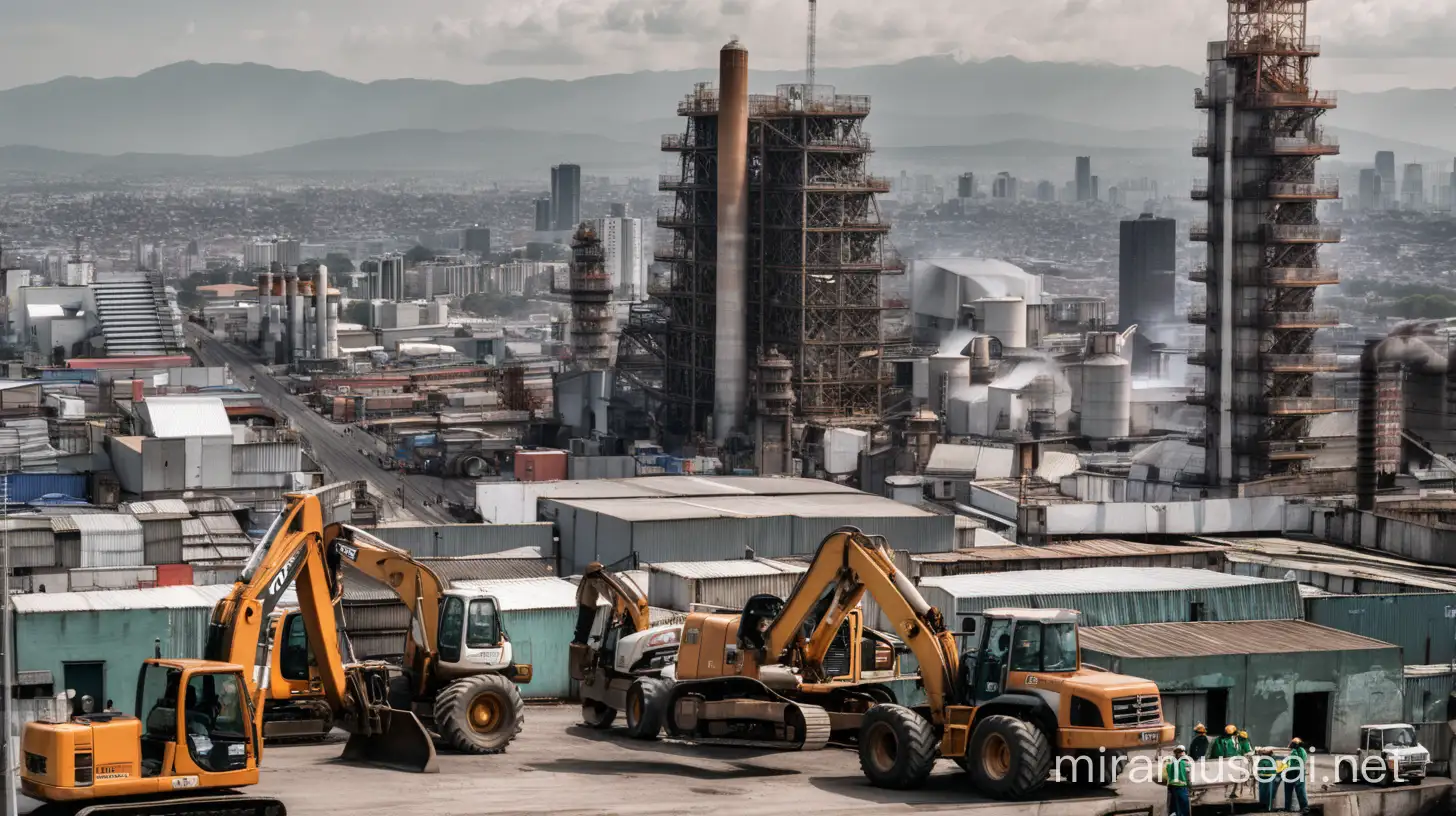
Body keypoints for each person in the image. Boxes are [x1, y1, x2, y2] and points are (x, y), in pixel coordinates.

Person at [1160, 745, 1192, 816]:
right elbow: (1188, 777)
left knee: (1173, 808)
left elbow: (1165, 775)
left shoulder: (1170, 763)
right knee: (1183, 808)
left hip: (1172, 788)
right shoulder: (1186, 763)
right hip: (1181, 788)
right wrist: (1190, 787)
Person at [1282, 737, 1309, 813]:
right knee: (1299, 789)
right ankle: (1304, 807)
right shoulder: (1302, 751)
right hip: (1297, 771)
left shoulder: (1293, 751)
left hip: (1293, 771)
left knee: (1290, 789)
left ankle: (1288, 808)